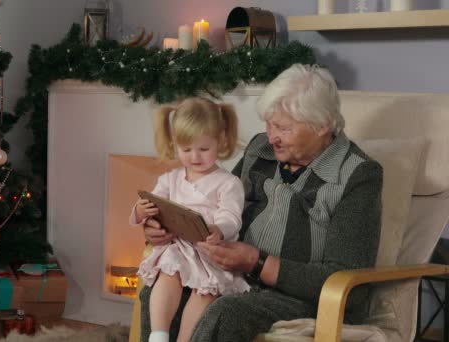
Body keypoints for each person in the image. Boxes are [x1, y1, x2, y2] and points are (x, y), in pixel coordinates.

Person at [139, 64, 383, 342]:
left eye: (282, 128)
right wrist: (164, 227)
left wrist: (256, 263)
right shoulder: (260, 150)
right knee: (158, 288)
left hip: (303, 298)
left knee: (226, 312)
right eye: (268, 123)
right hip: (235, 278)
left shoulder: (357, 175)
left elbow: (348, 281)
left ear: (323, 125)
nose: (271, 136)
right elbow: (215, 207)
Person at [130, 97, 250, 342]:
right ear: (175, 145)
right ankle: (159, 335)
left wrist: (219, 228)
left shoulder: (228, 183)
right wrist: (143, 213)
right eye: (186, 150)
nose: (195, 157)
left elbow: (231, 217)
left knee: (204, 292)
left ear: (221, 141)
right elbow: (154, 206)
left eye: (203, 149)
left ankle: (186, 339)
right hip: (178, 247)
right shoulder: (170, 179)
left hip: (209, 252)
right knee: (168, 270)